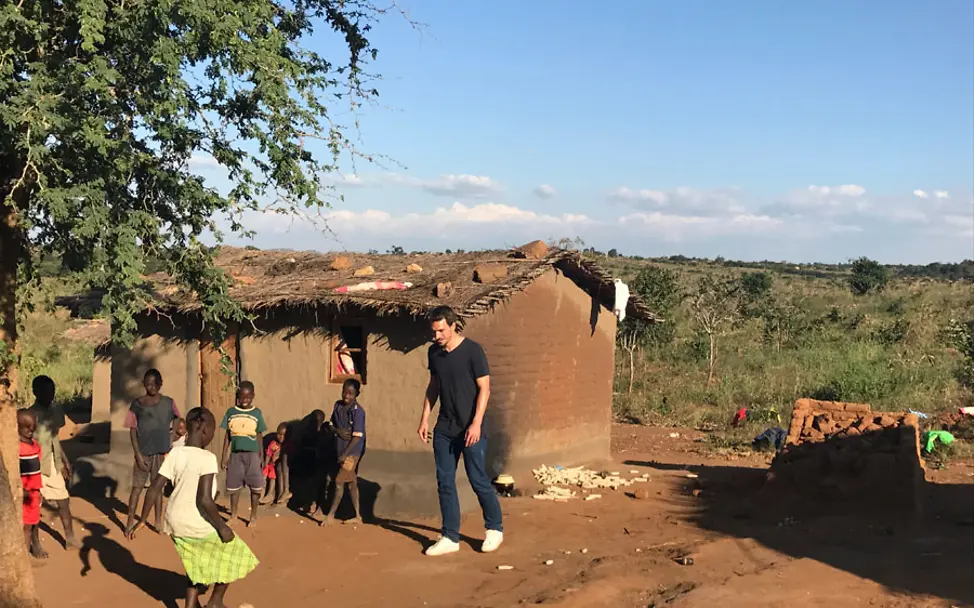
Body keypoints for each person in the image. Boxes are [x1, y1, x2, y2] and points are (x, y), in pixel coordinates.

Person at [127, 407, 258, 608]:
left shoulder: (176, 453)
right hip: (196, 522)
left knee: (195, 563)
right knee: (235, 553)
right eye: (213, 430)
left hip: (175, 521)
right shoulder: (207, 458)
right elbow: (204, 499)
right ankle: (215, 601)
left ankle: (191, 605)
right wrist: (222, 526)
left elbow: (154, 488)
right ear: (204, 430)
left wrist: (143, 519)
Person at [417, 306, 503, 556]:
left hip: (470, 427)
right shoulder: (434, 353)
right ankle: (450, 536)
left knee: (477, 479)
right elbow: (433, 386)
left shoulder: (473, 351)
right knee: (445, 481)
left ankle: (494, 528)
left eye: (441, 331)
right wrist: (424, 419)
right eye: (434, 332)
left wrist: (476, 423)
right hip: (445, 428)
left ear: (453, 325)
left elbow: (485, 388)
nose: (437, 336)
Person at [124, 369, 180, 533]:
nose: (152, 386)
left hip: (161, 452)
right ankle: (129, 521)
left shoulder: (169, 403)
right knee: (137, 488)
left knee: (158, 488)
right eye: (148, 384)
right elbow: (132, 429)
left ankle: (157, 521)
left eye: (155, 383)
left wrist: (172, 436)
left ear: (161, 384)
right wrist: (137, 453)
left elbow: (177, 417)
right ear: (144, 384)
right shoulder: (137, 404)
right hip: (143, 453)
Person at [27, 375, 79, 550]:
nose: (50, 395)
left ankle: (70, 537)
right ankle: (35, 544)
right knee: (35, 507)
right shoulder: (31, 415)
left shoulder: (55, 411)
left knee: (63, 500)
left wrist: (64, 461)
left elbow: (55, 438)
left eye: (52, 391)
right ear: (35, 392)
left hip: (53, 462)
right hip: (36, 465)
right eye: (46, 391)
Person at [220, 381, 267, 527]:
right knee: (234, 487)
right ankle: (233, 515)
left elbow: (259, 435)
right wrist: (224, 456)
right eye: (242, 396)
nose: (245, 400)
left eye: (248, 397)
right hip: (235, 455)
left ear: (253, 396)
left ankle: (253, 517)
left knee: (255, 487)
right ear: (237, 396)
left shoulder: (256, 413)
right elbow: (227, 436)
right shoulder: (231, 412)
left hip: (253, 455)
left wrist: (261, 455)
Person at [320, 379, 366, 526]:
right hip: (340, 450)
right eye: (345, 392)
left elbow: (357, 437)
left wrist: (345, 454)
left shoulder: (358, 412)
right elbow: (331, 424)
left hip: (352, 453)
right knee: (351, 483)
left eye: (351, 393)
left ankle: (330, 515)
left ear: (357, 394)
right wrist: (337, 431)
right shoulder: (338, 406)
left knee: (339, 482)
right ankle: (358, 515)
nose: (347, 396)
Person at [18, 409, 46, 559]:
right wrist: (23, 490)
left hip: (34, 491)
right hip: (25, 492)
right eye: (26, 427)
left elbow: (37, 470)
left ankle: (33, 549)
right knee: (27, 526)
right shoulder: (18, 448)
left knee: (34, 521)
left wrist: (39, 491)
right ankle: (24, 557)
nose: (30, 430)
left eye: (33, 427)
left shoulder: (35, 445)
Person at [261, 423, 288, 505]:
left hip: (278, 466)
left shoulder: (287, 445)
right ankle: (262, 494)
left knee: (273, 478)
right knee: (264, 476)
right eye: (279, 434)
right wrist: (265, 465)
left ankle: (270, 494)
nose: (281, 437)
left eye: (283, 435)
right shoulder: (273, 444)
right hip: (271, 465)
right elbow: (268, 454)